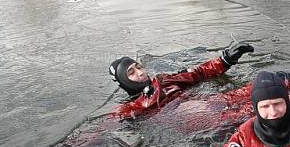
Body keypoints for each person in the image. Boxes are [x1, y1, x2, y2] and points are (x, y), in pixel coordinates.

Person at [108, 42, 255, 119]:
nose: (140, 73)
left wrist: (227, 58)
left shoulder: (163, 80)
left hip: (210, 102)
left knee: (261, 89)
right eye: (131, 72)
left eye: (139, 67)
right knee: (252, 113)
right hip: (193, 117)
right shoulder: (132, 108)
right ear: (124, 81)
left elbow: (199, 73)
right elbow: (101, 129)